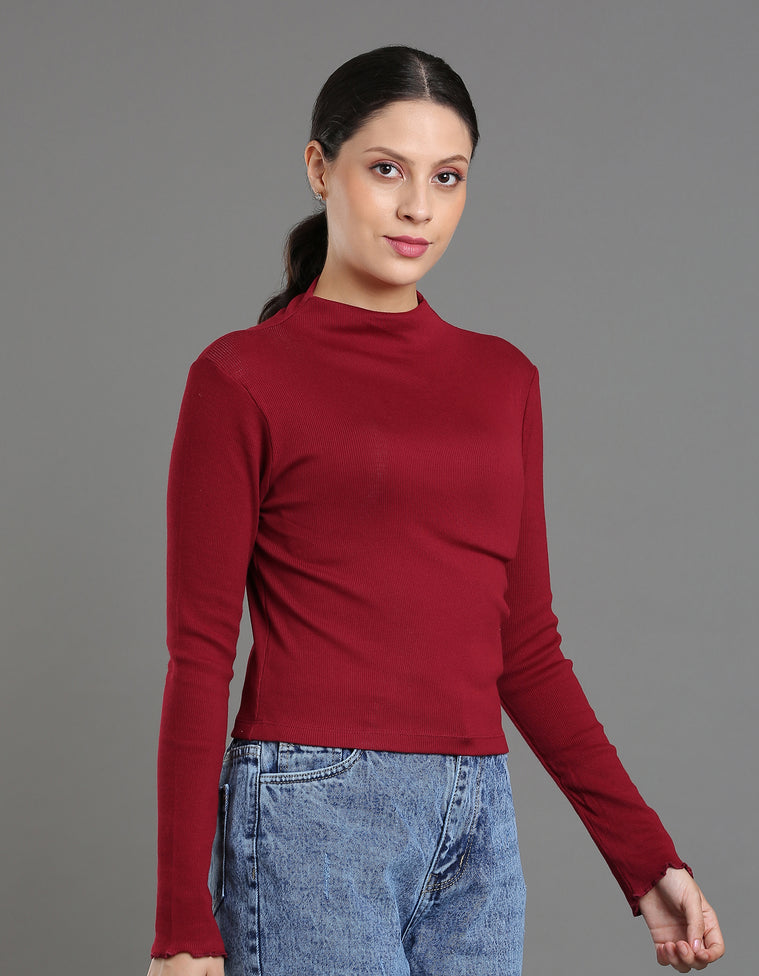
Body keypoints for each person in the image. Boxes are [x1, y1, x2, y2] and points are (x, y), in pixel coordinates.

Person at [146, 45, 724, 976]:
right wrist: (182, 926)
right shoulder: (241, 379)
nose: (420, 206)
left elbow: (526, 650)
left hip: (477, 819)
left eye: (447, 177)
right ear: (319, 168)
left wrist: (646, 860)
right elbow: (200, 656)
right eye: (388, 169)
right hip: (310, 815)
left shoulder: (504, 381)